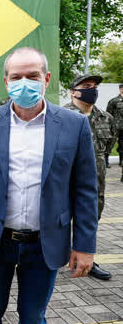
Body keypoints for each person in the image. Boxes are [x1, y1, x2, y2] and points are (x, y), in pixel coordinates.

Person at [0, 47, 98, 324]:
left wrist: (85, 245)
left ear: (46, 79)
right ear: (7, 82)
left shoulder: (75, 125)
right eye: (16, 76)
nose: (24, 83)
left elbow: (85, 189)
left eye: (32, 76)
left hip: (44, 241)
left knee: (33, 316)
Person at [64, 74, 116, 281]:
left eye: (94, 86)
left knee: (91, 220)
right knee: (58, 221)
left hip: (95, 184)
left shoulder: (106, 118)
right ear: (73, 91)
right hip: (65, 183)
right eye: (86, 86)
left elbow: (107, 148)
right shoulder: (60, 116)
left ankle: (87, 259)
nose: (92, 90)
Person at [106, 84, 123, 171]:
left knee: (122, 144)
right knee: (110, 143)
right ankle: (105, 161)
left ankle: (121, 161)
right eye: (122, 88)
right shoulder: (113, 101)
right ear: (120, 89)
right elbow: (108, 114)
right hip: (115, 126)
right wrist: (109, 125)